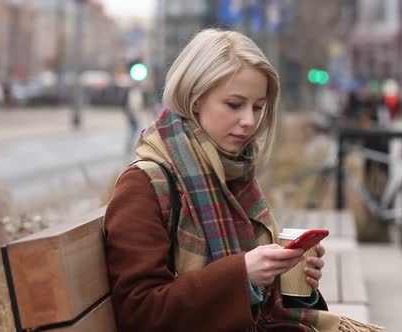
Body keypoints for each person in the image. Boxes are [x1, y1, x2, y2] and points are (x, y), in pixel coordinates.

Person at [104, 29, 383, 332]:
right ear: (195, 99)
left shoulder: (232, 171)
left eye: (258, 107)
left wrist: (291, 281)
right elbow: (139, 312)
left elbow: (257, 301)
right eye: (235, 105)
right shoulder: (144, 184)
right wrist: (242, 274)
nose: (249, 121)